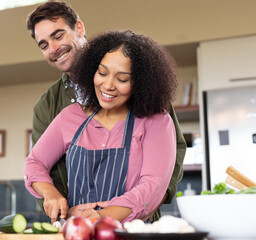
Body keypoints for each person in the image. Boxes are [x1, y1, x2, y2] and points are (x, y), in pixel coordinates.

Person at [26, 0, 186, 222]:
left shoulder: (154, 115)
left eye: (58, 35)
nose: (53, 48)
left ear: (79, 28)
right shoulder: (55, 109)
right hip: (77, 225)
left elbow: (160, 173)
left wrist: (146, 201)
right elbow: (36, 164)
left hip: (134, 225)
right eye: (43, 45)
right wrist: (60, 204)